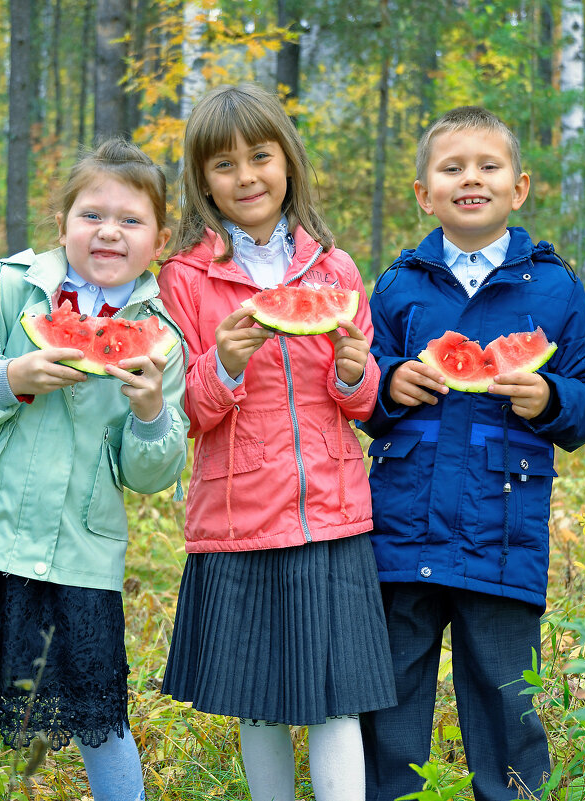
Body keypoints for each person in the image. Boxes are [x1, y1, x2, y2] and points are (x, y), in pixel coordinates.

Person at [0, 138, 187, 801]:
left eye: (130, 220)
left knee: (98, 712)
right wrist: (11, 375)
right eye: (92, 214)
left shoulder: (161, 332)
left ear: (159, 239)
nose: (109, 231)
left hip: (78, 554)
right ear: (62, 224)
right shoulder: (12, 287)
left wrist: (149, 413)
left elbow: (149, 474)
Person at [358, 105, 585, 801]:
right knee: (388, 704)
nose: (470, 179)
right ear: (425, 193)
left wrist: (551, 396)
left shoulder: (554, 285)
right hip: (401, 530)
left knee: (509, 708)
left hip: (503, 532)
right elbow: (357, 395)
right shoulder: (397, 284)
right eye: (452, 168)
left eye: (488, 166)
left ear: (519, 187)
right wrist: (386, 383)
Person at [156, 83, 397, 801]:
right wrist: (222, 364)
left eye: (260, 156)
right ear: (202, 181)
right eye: (224, 165)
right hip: (237, 519)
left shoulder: (337, 270)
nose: (247, 176)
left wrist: (357, 376)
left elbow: (361, 398)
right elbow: (182, 414)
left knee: (337, 694)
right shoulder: (184, 280)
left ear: (287, 161)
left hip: (330, 511)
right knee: (258, 698)